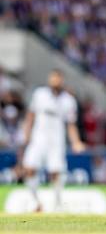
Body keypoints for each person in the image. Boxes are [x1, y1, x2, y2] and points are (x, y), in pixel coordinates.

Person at [21, 69, 85, 211]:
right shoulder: (40, 94)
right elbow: (30, 115)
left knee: (55, 171)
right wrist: (26, 134)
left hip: (56, 141)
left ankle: (57, 203)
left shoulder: (69, 100)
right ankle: (35, 201)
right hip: (38, 138)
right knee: (30, 168)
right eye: (53, 78)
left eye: (58, 78)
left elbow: (71, 124)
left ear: (62, 80)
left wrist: (76, 142)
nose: (55, 81)